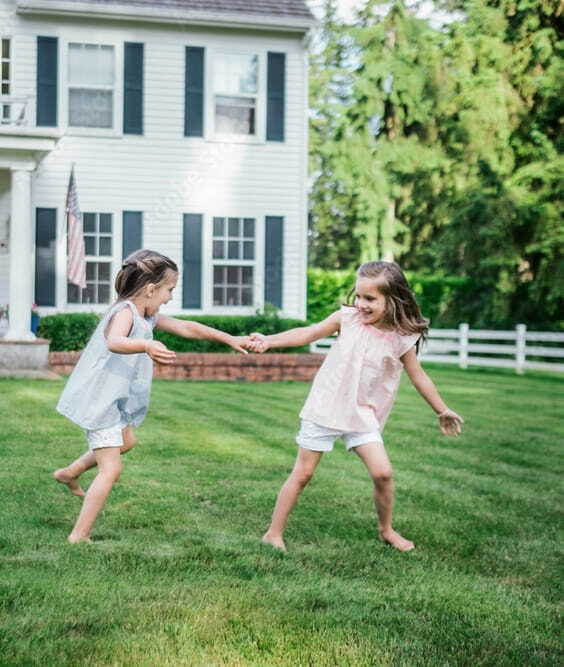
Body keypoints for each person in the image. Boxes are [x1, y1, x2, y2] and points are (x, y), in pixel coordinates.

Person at [249, 260, 463, 553]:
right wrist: (269, 341)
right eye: (359, 296)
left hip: (363, 413)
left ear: (394, 299)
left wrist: (442, 409)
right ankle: (273, 534)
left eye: (370, 298)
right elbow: (307, 333)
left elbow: (419, 377)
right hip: (327, 406)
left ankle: (386, 529)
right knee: (303, 473)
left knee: (383, 473)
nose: (361, 304)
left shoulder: (402, 338)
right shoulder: (346, 318)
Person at [54, 249, 249, 543]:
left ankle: (70, 472)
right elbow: (115, 341)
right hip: (99, 399)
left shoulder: (147, 314)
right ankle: (79, 535)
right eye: (169, 290)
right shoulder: (124, 312)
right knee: (111, 470)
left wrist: (229, 338)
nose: (170, 297)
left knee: (127, 441)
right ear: (150, 289)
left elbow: (187, 327)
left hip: (112, 396)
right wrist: (145, 346)